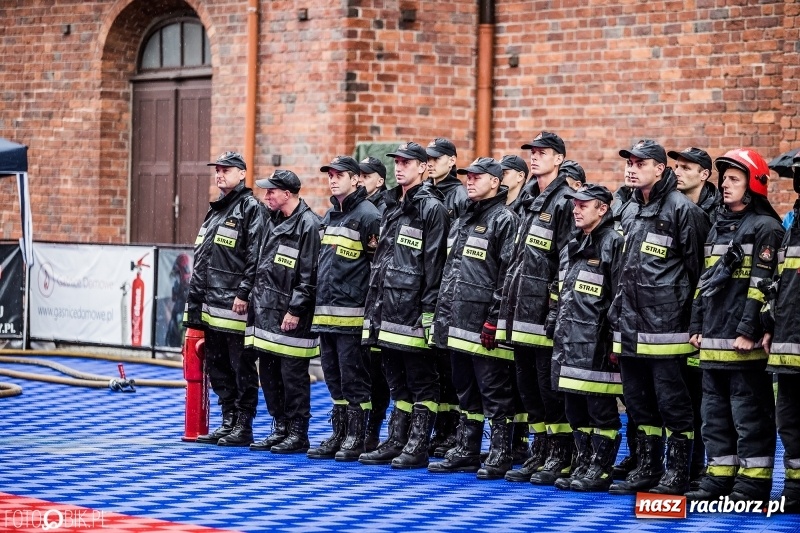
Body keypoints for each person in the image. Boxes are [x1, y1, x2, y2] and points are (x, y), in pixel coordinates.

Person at [607, 140, 710, 495]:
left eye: (640, 163)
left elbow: (699, 276)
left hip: (668, 331)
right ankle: (648, 467)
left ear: (659, 169)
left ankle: (679, 470)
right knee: (638, 404)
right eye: (629, 162)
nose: (631, 168)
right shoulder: (630, 210)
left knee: (674, 405)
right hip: (629, 327)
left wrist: (695, 324)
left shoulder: (684, 211)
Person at [686, 149, 784, 502]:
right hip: (712, 339)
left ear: (753, 184)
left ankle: (752, 484)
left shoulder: (766, 228)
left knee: (749, 416)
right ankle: (718, 477)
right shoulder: (718, 225)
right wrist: (696, 325)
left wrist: (748, 331)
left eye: (733, 179)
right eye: (724, 178)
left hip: (742, 344)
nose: (724, 185)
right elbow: (704, 281)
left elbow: (762, 285)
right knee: (713, 417)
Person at [427, 157, 519, 479]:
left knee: (494, 392)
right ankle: (467, 450)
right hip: (456, 323)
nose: (470, 181)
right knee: (465, 391)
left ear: (495, 182)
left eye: (478, 177)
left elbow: (507, 275)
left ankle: (500, 454)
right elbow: (451, 274)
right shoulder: (462, 219)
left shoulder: (504, 219)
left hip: (483, 326)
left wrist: (493, 319)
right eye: (468, 176)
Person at [360, 141, 450, 469]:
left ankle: (418, 444)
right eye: (397, 162)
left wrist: (428, 312)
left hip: (413, 311)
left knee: (421, 380)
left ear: (423, 168)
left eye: (407, 163)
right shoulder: (392, 205)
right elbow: (382, 262)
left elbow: (433, 264)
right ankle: (398, 439)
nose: (399, 168)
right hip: (388, 309)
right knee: (396, 380)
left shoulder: (432, 208)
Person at [498, 131, 576, 485]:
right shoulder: (529, 198)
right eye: (532, 152)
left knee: (548, 388)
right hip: (521, 311)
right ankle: (540, 451)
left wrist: (555, 310)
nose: (534, 157)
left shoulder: (565, 201)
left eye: (542, 152)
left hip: (544, 314)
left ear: (559, 158)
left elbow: (566, 262)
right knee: (528, 388)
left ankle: (560, 455)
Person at [547, 184, 623, 492]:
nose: (576, 209)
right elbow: (559, 289)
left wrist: (615, 340)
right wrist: (554, 322)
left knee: (600, 409)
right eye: (574, 205)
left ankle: (601, 470)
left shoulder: (614, 242)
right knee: (575, 409)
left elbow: (620, 295)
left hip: (597, 343)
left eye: (583, 205)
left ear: (602, 209)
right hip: (568, 341)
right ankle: (583, 463)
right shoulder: (573, 243)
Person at [186, 151, 265, 447]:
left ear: (242, 174)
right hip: (210, 305)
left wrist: (243, 292)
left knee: (240, 366)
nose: (220, 175)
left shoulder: (249, 208)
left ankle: (243, 424)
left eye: (226, 170)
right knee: (217, 365)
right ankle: (228, 419)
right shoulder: (216, 210)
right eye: (217, 170)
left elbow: (254, 255)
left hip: (234, 306)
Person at [307, 156, 381, 462]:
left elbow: (377, 268)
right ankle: (339, 433)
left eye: (340, 175)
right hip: (326, 315)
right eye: (331, 175)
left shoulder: (369, 216)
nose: (333, 179)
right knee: (334, 379)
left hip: (352, 317)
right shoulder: (330, 216)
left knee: (354, 380)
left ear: (357, 180)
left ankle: (358, 436)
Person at [245, 170, 322, 454]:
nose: (266, 196)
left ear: (287, 194)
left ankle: (297, 432)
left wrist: (295, 309)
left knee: (293, 377)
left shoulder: (309, 225)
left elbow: (309, 275)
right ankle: (280, 427)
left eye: (272, 192)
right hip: (266, 313)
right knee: (269, 374)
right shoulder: (270, 221)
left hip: (291, 318)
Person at [668, 146, 718, 486]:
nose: (678, 171)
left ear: (704, 174)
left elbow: (701, 270)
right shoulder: (673, 207)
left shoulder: (714, 213)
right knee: (679, 396)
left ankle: (704, 467)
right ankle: (678, 464)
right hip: (676, 318)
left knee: (703, 397)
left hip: (705, 319)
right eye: (676, 166)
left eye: (687, 167)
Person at [425, 137, 468, 457]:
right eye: (427, 158)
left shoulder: (459, 195)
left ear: (452, 161)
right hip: (429, 289)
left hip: (449, 287)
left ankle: (453, 431)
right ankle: (440, 430)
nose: (431, 163)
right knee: (435, 369)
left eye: (437, 158)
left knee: (450, 368)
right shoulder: (426, 193)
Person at [763, 157, 800, 513]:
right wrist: (769, 324)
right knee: (788, 419)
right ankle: (795, 487)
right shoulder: (793, 222)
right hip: (789, 342)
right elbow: (781, 281)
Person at [358, 156, 391, 451]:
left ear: (380, 180)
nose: (360, 179)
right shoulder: (354, 209)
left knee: (378, 372)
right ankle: (359, 429)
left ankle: (374, 429)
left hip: (380, 301)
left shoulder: (381, 211)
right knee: (362, 370)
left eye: (366, 176)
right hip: (361, 300)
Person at [669, 147, 719, 220]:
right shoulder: (669, 203)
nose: (676, 173)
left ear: (704, 175)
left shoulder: (720, 209)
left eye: (685, 168)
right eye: (676, 167)